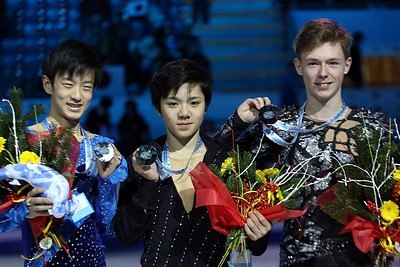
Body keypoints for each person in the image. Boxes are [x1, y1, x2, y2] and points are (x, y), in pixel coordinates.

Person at [214, 18, 386, 266]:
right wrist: (238, 122)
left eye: (332, 63)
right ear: (298, 66)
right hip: (298, 260)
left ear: (347, 65)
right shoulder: (280, 128)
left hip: (359, 260)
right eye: (313, 63)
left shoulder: (373, 128)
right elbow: (218, 162)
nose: (323, 73)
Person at [113, 59, 271, 266]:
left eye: (194, 102)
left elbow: (255, 246)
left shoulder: (229, 161)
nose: (184, 112)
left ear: (206, 107)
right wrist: (148, 185)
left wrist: (258, 234)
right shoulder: (143, 160)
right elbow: (126, 234)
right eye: (173, 103)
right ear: (158, 108)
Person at [0, 39, 128, 266]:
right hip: (42, 260)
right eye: (68, 84)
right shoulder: (23, 144)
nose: (77, 96)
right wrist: (24, 209)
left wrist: (106, 181)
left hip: (92, 260)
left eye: (86, 87)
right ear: (48, 84)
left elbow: (107, 224)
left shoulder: (101, 147)